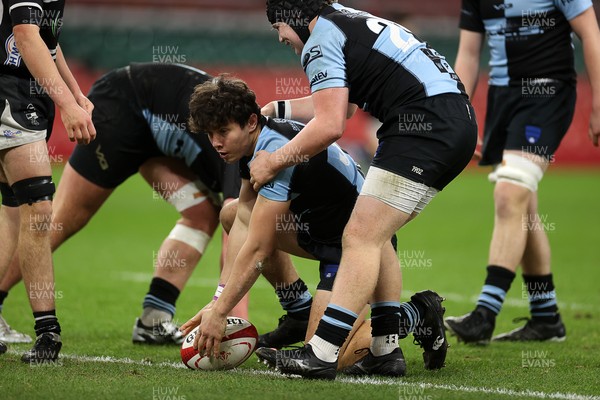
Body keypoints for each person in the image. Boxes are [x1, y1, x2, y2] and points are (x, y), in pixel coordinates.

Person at [244, 0, 478, 380]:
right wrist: (279, 108)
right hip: (448, 120)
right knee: (375, 234)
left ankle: (320, 353)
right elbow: (346, 107)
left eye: (278, 28)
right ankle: (386, 350)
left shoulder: (320, 38)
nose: (281, 38)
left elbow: (331, 124)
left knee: (360, 235)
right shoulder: (345, 19)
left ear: (295, 17)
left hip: (424, 126)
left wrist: (274, 160)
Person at [180, 76, 447, 378]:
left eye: (223, 131)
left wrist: (220, 313)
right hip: (317, 231)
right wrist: (218, 301)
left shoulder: (277, 151)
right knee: (231, 213)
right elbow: (243, 216)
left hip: (355, 251)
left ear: (252, 121)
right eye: (211, 133)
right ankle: (299, 311)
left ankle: (419, 313)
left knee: (329, 355)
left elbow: (258, 248)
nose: (216, 142)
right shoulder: (252, 146)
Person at [0, 62, 246, 346]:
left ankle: (153, 320)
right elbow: (238, 235)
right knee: (57, 223)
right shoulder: (242, 151)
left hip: (155, 131)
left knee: (202, 213)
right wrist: (230, 317)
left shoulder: (242, 137)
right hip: (122, 106)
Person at [444, 0, 600, 343]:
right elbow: (469, 54)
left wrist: (599, 103)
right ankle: (546, 319)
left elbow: (591, 34)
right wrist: (460, 119)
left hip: (548, 92)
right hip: (503, 97)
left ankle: (485, 313)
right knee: (523, 205)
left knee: (509, 192)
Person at [0, 0, 96, 362]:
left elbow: (46, 42)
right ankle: (47, 332)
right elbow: (25, 37)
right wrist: (69, 106)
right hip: (11, 94)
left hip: (23, 92)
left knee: (15, 208)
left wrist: (74, 93)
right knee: (37, 208)